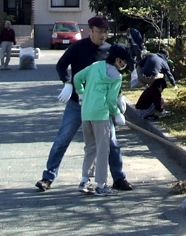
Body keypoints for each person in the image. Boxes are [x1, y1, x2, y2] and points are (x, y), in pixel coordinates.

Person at [35, 16, 133, 192]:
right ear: (90, 31)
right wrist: (67, 83)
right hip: (77, 103)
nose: (103, 35)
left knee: (111, 141)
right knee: (63, 139)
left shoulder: (110, 51)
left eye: (105, 32)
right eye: (99, 31)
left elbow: (115, 76)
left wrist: (119, 97)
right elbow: (61, 65)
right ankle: (48, 177)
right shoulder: (78, 47)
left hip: (101, 107)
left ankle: (118, 177)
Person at [74, 43, 134, 196]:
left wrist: (81, 93)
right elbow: (110, 99)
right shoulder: (116, 77)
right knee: (102, 150)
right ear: (118, 60)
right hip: (101, 115)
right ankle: (101, 185)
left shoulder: (95, 66)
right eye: (124, 61)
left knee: (90, 148)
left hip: (86, 113)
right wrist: (117, 114)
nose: (125, 65)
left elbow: (77, 77)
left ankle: (84, 180)